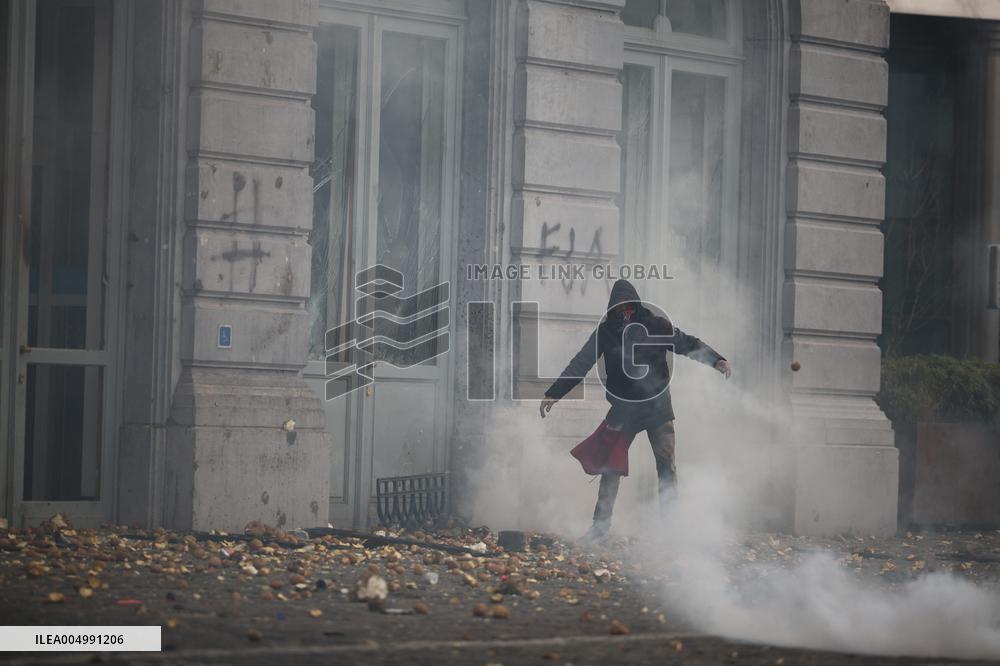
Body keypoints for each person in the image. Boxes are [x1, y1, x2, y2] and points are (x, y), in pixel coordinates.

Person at [539, 279, 732, 541]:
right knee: (610, 467)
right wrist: (554, 393)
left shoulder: (655, 325)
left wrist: (716, 360)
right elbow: (581, 362)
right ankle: (600, 527)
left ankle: (672, 530)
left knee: (666, 468)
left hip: (657, 408)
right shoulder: (606, 332)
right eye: (621, 310)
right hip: (623, 409)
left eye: (629, 309)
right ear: (614, 309)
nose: (625, 315)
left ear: (637, 306)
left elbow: (686, 343)